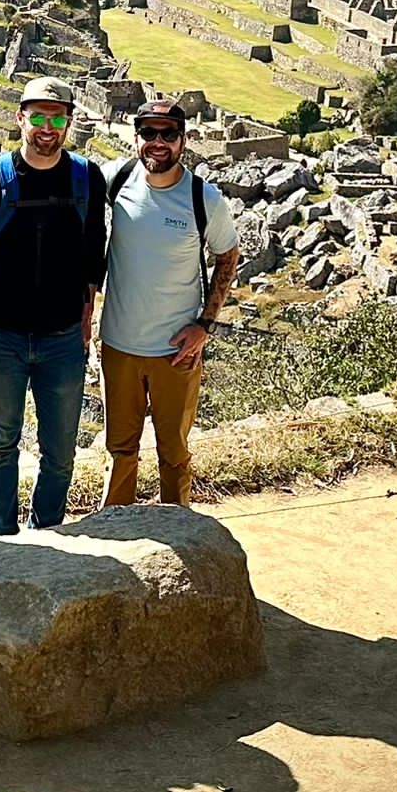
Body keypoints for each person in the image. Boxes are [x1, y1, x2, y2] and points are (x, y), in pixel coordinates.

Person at [0, 76, 107, 535]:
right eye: (39, 116)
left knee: (60, 449)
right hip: (0, 334)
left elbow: (92, 258)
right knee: (2, 442)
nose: (47, 126)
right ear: (20, 117)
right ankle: (2, 536)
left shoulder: (86, 179)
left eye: (57, 116)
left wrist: (85, 326)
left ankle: (50, 533)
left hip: (62, 337)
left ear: (68, 122)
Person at [99, 96, 240, 507]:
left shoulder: (203, 199)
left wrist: (205, 326)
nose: (157, 143)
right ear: (136, 136)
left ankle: (179, 532)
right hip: (120, 345)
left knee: (173, 452)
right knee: (120, 449)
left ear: (183, 141)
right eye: (148, 133)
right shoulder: (115, 181)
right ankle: (117, 529)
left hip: (176, 352)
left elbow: (227, 255)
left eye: (168, 135)